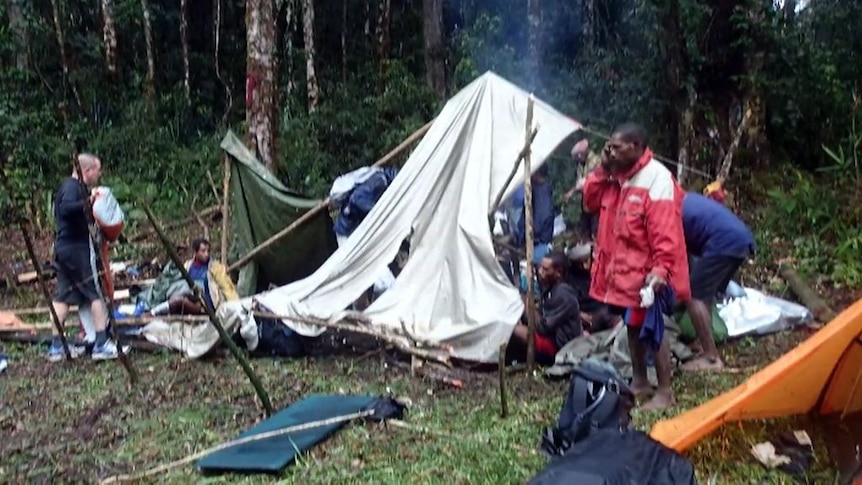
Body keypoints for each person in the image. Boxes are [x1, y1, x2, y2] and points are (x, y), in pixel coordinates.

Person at [581, 123, 690, 411]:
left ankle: (665, 392)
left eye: (618, 147)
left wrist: (661, 271)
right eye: (610, 146)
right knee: (631, 324)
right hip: (623, 273)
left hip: (647, 272)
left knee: (654, 328)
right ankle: (640, 381)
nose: (611, 151)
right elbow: (589, 202)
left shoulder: (657, 179)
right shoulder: (613, 175)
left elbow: (666, 232)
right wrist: (602, 169)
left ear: (637, 148)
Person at [48, 153, 121, 361]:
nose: (99, 175)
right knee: (95, 292)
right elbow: (66, 208)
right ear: (87, 171)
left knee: (63, 296)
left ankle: (56, 346)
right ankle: (101, 344)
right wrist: (89, 200)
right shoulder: (73, 187)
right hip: (76, 249)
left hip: (64, 248)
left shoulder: (68, 187)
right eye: (97, 171)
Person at [680, 192, 756, 371]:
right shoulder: (681, 198)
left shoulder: (665, 210)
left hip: (724, 242)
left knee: (694, 297)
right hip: (740, 239)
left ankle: (711, 358)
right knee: (705, 292)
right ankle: (702, 341)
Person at [511, 250, 582, 362]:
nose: (540, 272)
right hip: (552, 337)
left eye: (545, 269)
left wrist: (527, 307)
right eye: (540, 268)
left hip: (560, 347)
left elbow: (542, 328)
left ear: (558, 273)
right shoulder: (551, 288)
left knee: (514, 329)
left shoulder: (563, 295)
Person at [150, 238, 239, 315]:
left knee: (179, 301)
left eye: (208, 251)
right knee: (175, 297)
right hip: (189, 297)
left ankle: (152, 313)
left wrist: (236, 304)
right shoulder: (188, 266)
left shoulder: (214, 267)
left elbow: (226, 286)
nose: (206, 254)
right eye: (203, 251)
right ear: (195, 252)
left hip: (205, 304)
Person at [510, 164, 556, 264]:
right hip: (534, 241)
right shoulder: (534, 189)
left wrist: (528, 235)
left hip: (538, 243)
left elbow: (543, 218)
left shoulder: (542, 192)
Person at [563, 139, 601, 241]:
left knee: (596, 230)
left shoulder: (595, 161)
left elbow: (587, 180)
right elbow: (579, 181)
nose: (576, 160)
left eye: (577, 157)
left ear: (580, 155)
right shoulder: (581, 165)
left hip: (596, 202)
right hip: (586, 202)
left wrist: (572, 192)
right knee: (584, 229)